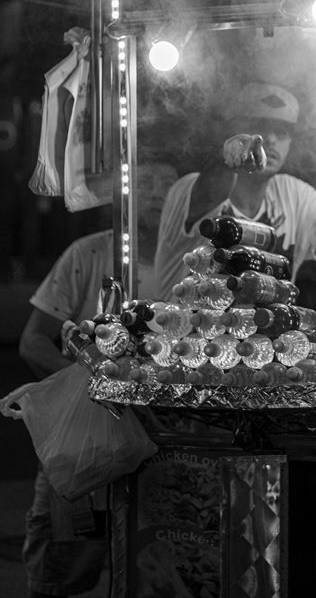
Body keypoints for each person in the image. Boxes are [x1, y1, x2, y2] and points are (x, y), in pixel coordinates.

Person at [18, 160, 178, 598]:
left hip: (161, 437)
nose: (158, 197)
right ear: (124, 196)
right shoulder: (88, 253)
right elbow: (33, 342)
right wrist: (89, 383)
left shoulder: (189, 270)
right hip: (83, 435)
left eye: (169, 189)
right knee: (65, 562)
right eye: (146, 187)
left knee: (158, 562)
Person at [154, 81, 316, 317]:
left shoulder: (292, 193)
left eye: (281, 132)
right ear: (234, 130)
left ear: (290, 143)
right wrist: (228, 159)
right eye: (258, 127)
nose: (269, 139)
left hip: (263, 349)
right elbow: (211, 190)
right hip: (184, 344)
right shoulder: (189, 187)